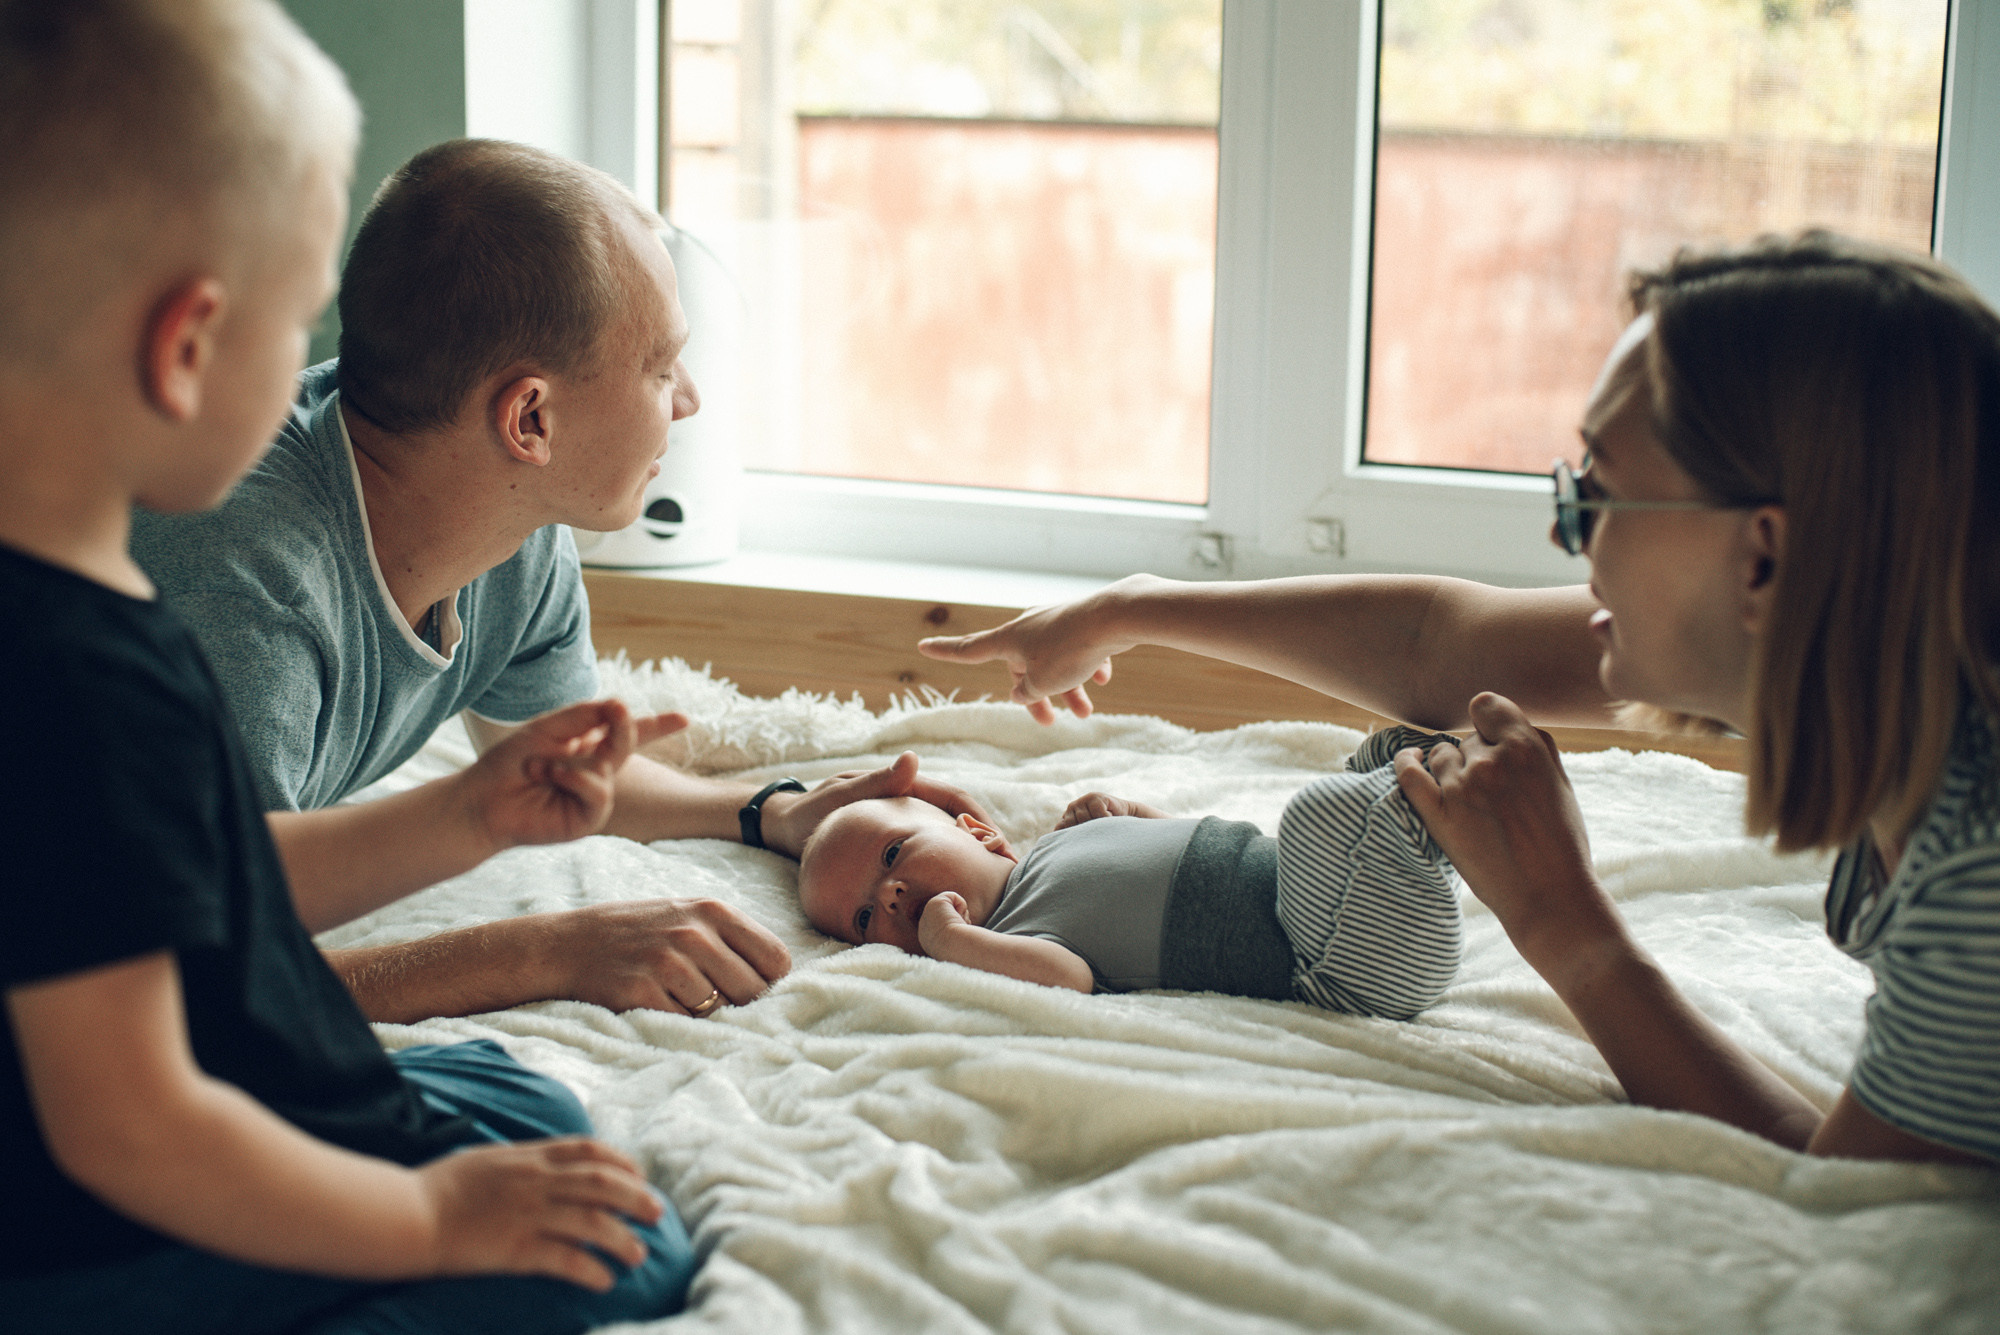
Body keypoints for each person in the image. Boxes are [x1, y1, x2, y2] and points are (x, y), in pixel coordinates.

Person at [920, 232, 2000, 1167]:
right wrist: (1133, 609)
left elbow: (1854, 1197)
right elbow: (1439, 646)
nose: (1562, 532)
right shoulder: (1879, 643)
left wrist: (1559, 918)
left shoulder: (1977, 867)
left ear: (1761, 560)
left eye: (1596, 493)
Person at [0, 1, 704, 1329]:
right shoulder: (74, 670)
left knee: (531, 1110)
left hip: (212, 1102)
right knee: (612, 1253)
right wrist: (435, 1217)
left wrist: (465, 810)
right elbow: (128, 1121)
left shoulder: (83, 599)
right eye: (298, 324)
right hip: (87, 1228)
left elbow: (202, 876)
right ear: (188, 349)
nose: (326, 382)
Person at [131, 137, 982, 1025]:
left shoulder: (512, 528)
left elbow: (542, 768)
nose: (687, 398)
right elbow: (184, 972)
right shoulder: (237, 587)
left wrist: (772, 811)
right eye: (660, 365)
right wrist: (546, 952)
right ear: (529, 417)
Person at [796, 730, 1464, 1018]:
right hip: (1339, 956)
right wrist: (955, 943)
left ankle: (1444, 811)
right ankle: (1436, 806)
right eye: (861, 920)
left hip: (1327, 891)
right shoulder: (1016, 935)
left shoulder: (1052, 853)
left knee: (1377, 755)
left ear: (978, 831)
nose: (888, 895)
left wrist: (1133, 813)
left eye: (893, 856)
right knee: (1323, 809)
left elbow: (1174, 846)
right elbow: (1070, 980)